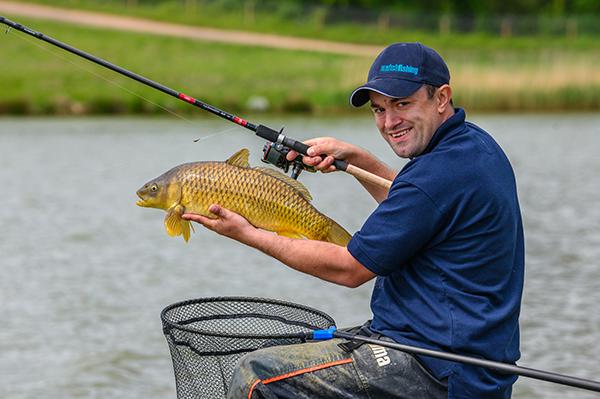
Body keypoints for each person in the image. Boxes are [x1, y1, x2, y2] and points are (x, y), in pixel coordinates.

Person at [183, 42, 524, 399]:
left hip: (437, 367)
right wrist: (357, 159)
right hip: (457, 357)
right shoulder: (474, 147)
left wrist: (248, 233)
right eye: (379, 109)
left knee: (256, 375)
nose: (390, 122)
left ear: (441, 98)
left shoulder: (438, 173)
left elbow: (350, 269)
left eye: (402, 104)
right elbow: (418, 208)